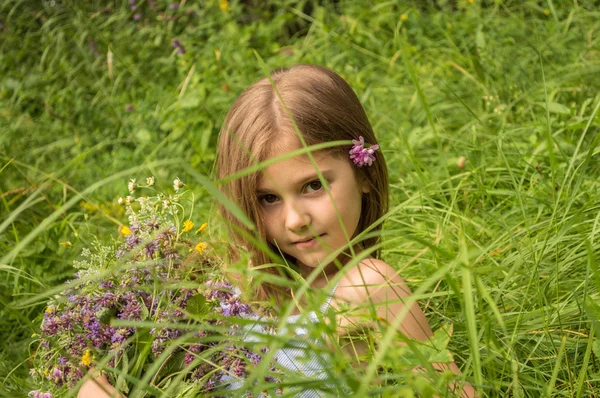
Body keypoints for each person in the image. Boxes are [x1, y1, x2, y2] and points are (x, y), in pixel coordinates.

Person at [79, 64, 477, 397]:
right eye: (268, 198)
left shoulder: (368, 285)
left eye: (314, 185)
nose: (294, 220)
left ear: (364, 172)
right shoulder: (227, 282)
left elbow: (453, 391)